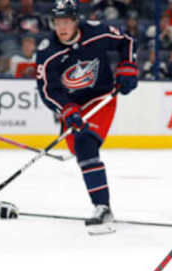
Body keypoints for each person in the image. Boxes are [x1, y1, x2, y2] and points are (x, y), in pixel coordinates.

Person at [36, 0, 138, 235]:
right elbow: (47, 90)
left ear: (76, 21)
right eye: (57, 22)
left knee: (85, 143)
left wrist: (127, 66)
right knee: (80, 149)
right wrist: (66, 109)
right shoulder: (47, 50)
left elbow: (127, 41)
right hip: (72, 105)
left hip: (101, 100)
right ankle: (101, 203)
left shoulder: (96, 31)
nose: (61, 27)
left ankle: (102, 206)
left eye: (66, 21)